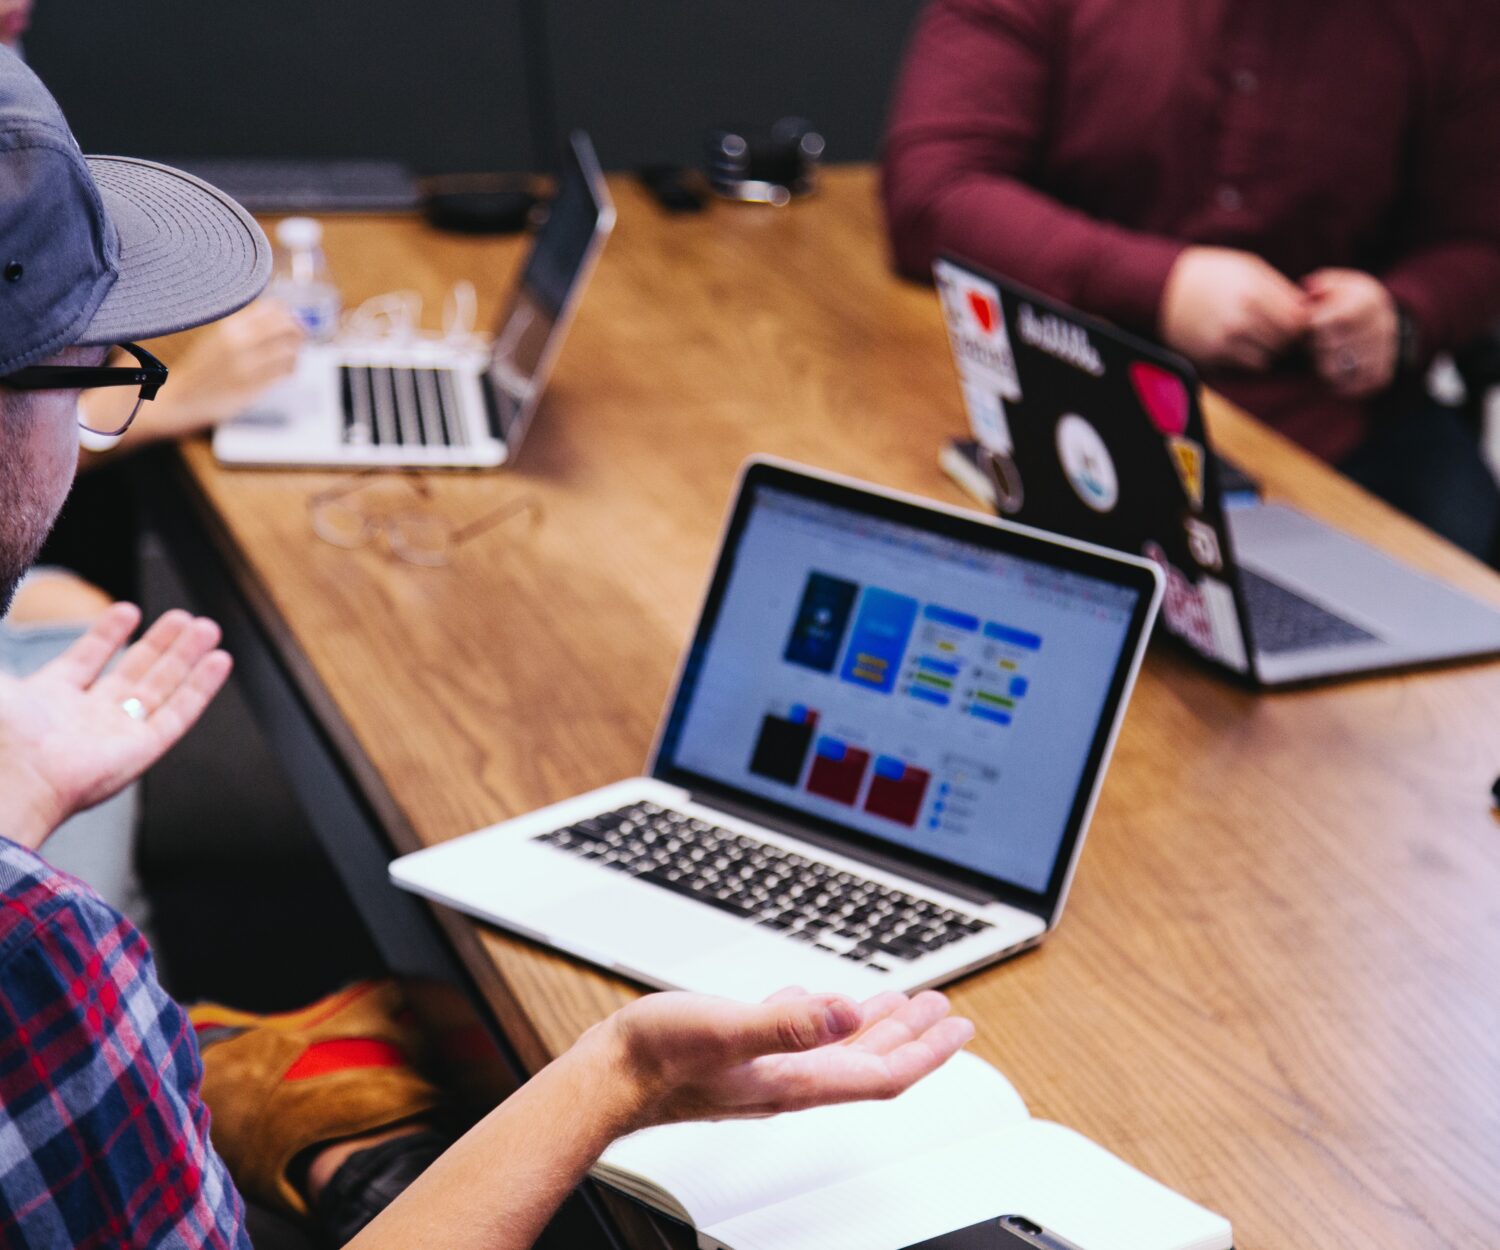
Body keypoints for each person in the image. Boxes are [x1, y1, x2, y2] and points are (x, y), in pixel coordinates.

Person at [0, 49, 975, 1248]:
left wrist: (17, 798)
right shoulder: (36, 964)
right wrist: (619, 1074)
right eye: (91, 365)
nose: (104, 382)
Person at [882, 0, 1500, 562]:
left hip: (1337, 434)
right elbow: (934, 189)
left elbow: (1478, 240)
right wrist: (1162, 286)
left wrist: (1406, 314)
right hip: (1064, 382)